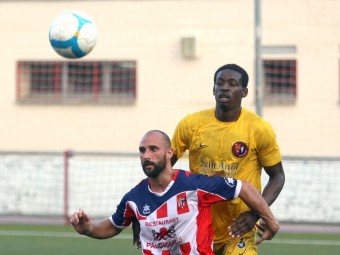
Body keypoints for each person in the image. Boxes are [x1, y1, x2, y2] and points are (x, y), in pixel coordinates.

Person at [70, 130, 279, 255]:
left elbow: (244, 187)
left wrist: (269, 219)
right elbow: (112, 226)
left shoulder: (194, 184)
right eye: (142, 151)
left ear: (170, 153)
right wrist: (88, 228)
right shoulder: (133, 199)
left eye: (153, 149)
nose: (146, 155)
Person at [171, 64, 285, 255]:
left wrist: (255, 214)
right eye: (220, 83)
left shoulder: (259, 128)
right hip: (197, 223)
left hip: (240, 226)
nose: (225, 87)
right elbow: (165, 169)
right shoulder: (190, 124)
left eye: (232, 84)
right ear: (213, 89)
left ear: (244, 92)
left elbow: (278, 177)